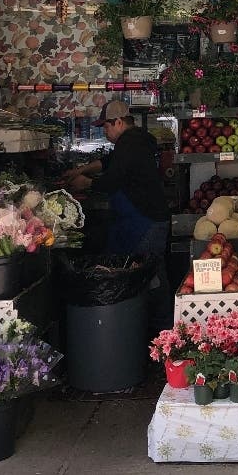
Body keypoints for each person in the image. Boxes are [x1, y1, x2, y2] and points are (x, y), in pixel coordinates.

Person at [65, 100, 173, 335]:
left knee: (151, 275)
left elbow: (113, 179)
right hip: (144, 219)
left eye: (106, 127)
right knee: (147, 272)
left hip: (146, 221)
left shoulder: (131, 143)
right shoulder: (134, 140)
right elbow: (108, 162)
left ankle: (163, 330)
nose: (105, 131)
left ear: (119, 122)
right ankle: (153, 328)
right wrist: (81, 170)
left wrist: (86, 183)